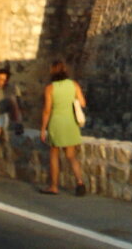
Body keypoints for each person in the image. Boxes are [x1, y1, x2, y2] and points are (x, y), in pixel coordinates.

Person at [39, 59, 86, 196]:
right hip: (71, 123)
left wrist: (43, 128)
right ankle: (80, 182)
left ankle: (54, 186)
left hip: (57, 123)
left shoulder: (50, 88)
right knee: (71, 155)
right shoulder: (74, 85)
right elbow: (82, 103)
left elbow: (47, 110)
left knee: (54, 154)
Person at [0, 67, 23, 177]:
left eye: (3, 79)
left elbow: (19, 106)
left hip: (9, 117)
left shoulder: (13, 89)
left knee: (12, 101)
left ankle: (18, 125)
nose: (0, 82)